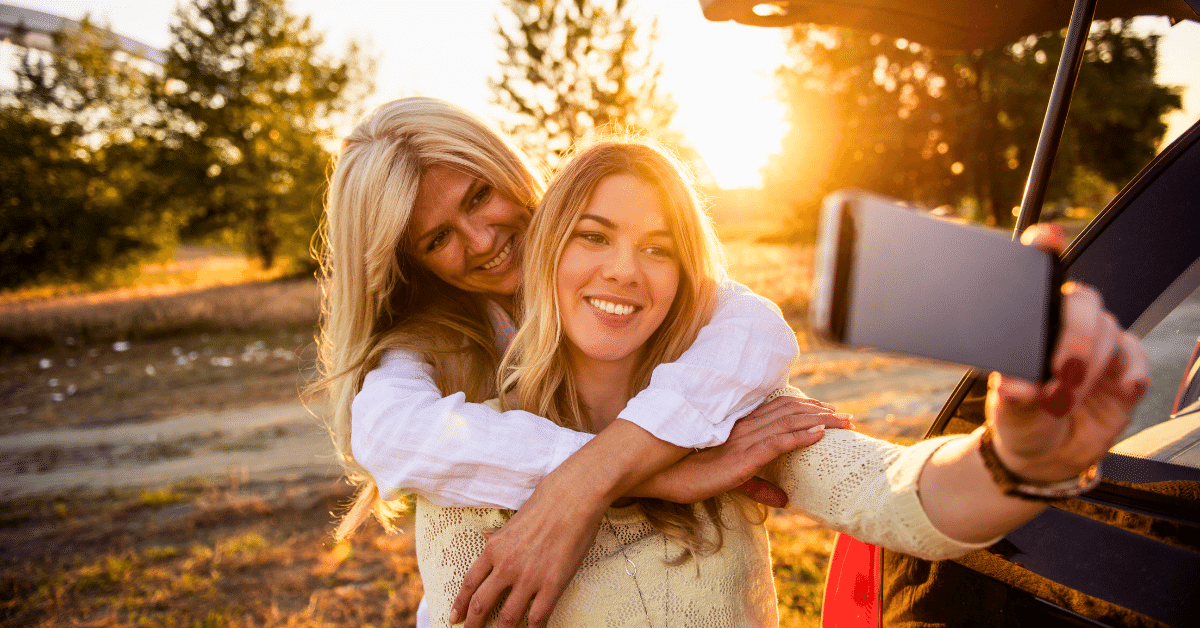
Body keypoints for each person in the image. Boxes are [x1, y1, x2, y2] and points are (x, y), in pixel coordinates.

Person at [432, 138, 1150, 628]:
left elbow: (893, 493)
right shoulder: (468, 455)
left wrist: (1014, 460)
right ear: (546, 251)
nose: (625, 269)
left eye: (658, 248)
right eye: (593, 236)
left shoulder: (739, 416)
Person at [313, 98, 850, 625]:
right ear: (412, 263)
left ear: (505, 166)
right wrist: (653, 475)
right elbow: (387, 433)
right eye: (438, 238)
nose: (481, 239)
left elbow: (754, 329)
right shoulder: (431, 341)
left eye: (479, 196)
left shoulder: (598, 251)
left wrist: (590, 478)